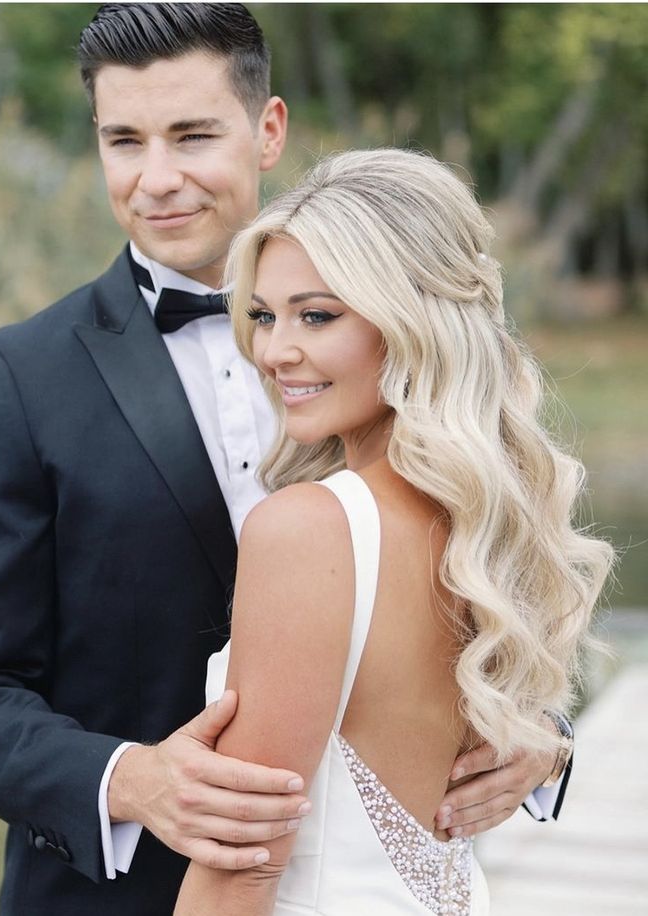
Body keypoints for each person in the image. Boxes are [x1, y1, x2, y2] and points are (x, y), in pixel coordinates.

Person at [0, 6, 581, 916]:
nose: (157, 178)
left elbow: (483, 585)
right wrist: (130, 780)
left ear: (269, 131)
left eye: (192, 135)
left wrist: (542, 738)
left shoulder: (402, 334)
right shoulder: (18, 377)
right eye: (123, 140)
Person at [174, 148, 613, 915]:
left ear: (410, 319)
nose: (275, 351)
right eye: (265, 316)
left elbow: (240, 869)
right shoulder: (482, 525)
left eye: (317, 315)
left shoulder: (308, 530)